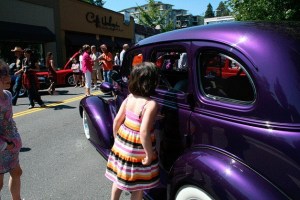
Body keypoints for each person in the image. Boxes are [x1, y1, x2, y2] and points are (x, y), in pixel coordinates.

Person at [105, 62, 160, 200]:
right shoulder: (151, 104)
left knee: (119, 178)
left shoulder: (130, 97)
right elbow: (144, 132)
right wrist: (148, 154)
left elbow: (117, 120)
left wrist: (116, 138)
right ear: (152, 82)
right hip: (137, 150)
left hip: (122, 142)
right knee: (139, 185)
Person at [0, 60, 23, 200]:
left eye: (7, 73)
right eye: (3, 75)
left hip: (12, 145)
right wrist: (5, 145)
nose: (8, 77)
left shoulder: (7, 95)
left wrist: (14, 139)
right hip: (2, 147)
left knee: (16, 172)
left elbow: (9, 120)